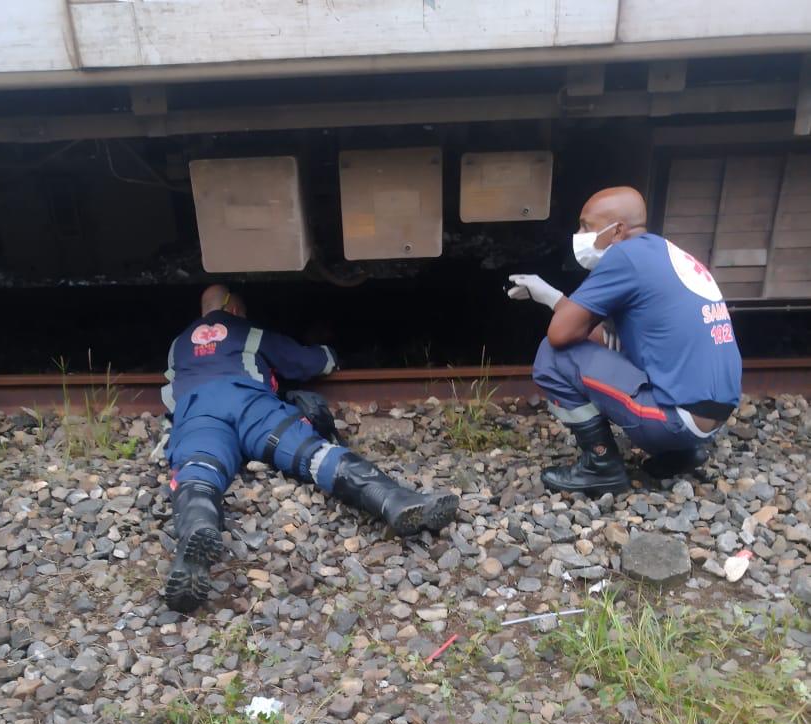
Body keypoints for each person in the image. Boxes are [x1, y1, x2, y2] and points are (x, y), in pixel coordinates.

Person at [162, 285, 459, 612]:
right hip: (250, 404)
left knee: (199, 471)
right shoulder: (247, 331)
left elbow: (170, 396)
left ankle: (197, 526)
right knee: (312, 454)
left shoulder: (178, 346)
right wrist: (331, 353)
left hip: (199, 411)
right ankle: (393, 499)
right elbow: (305, 362)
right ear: (233, 310)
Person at [507, 186, 742, 496]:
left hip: (675, 420)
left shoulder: (625, 257)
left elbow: (561, 335)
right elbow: (605, 339)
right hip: (713, 417)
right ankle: (680, 452)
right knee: (609, 349)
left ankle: (601, 465)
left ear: (617, 230)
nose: (580, 235)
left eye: (586, 226)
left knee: (551, 356)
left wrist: (550, 298)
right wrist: (555, 298)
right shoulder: (664, 252)